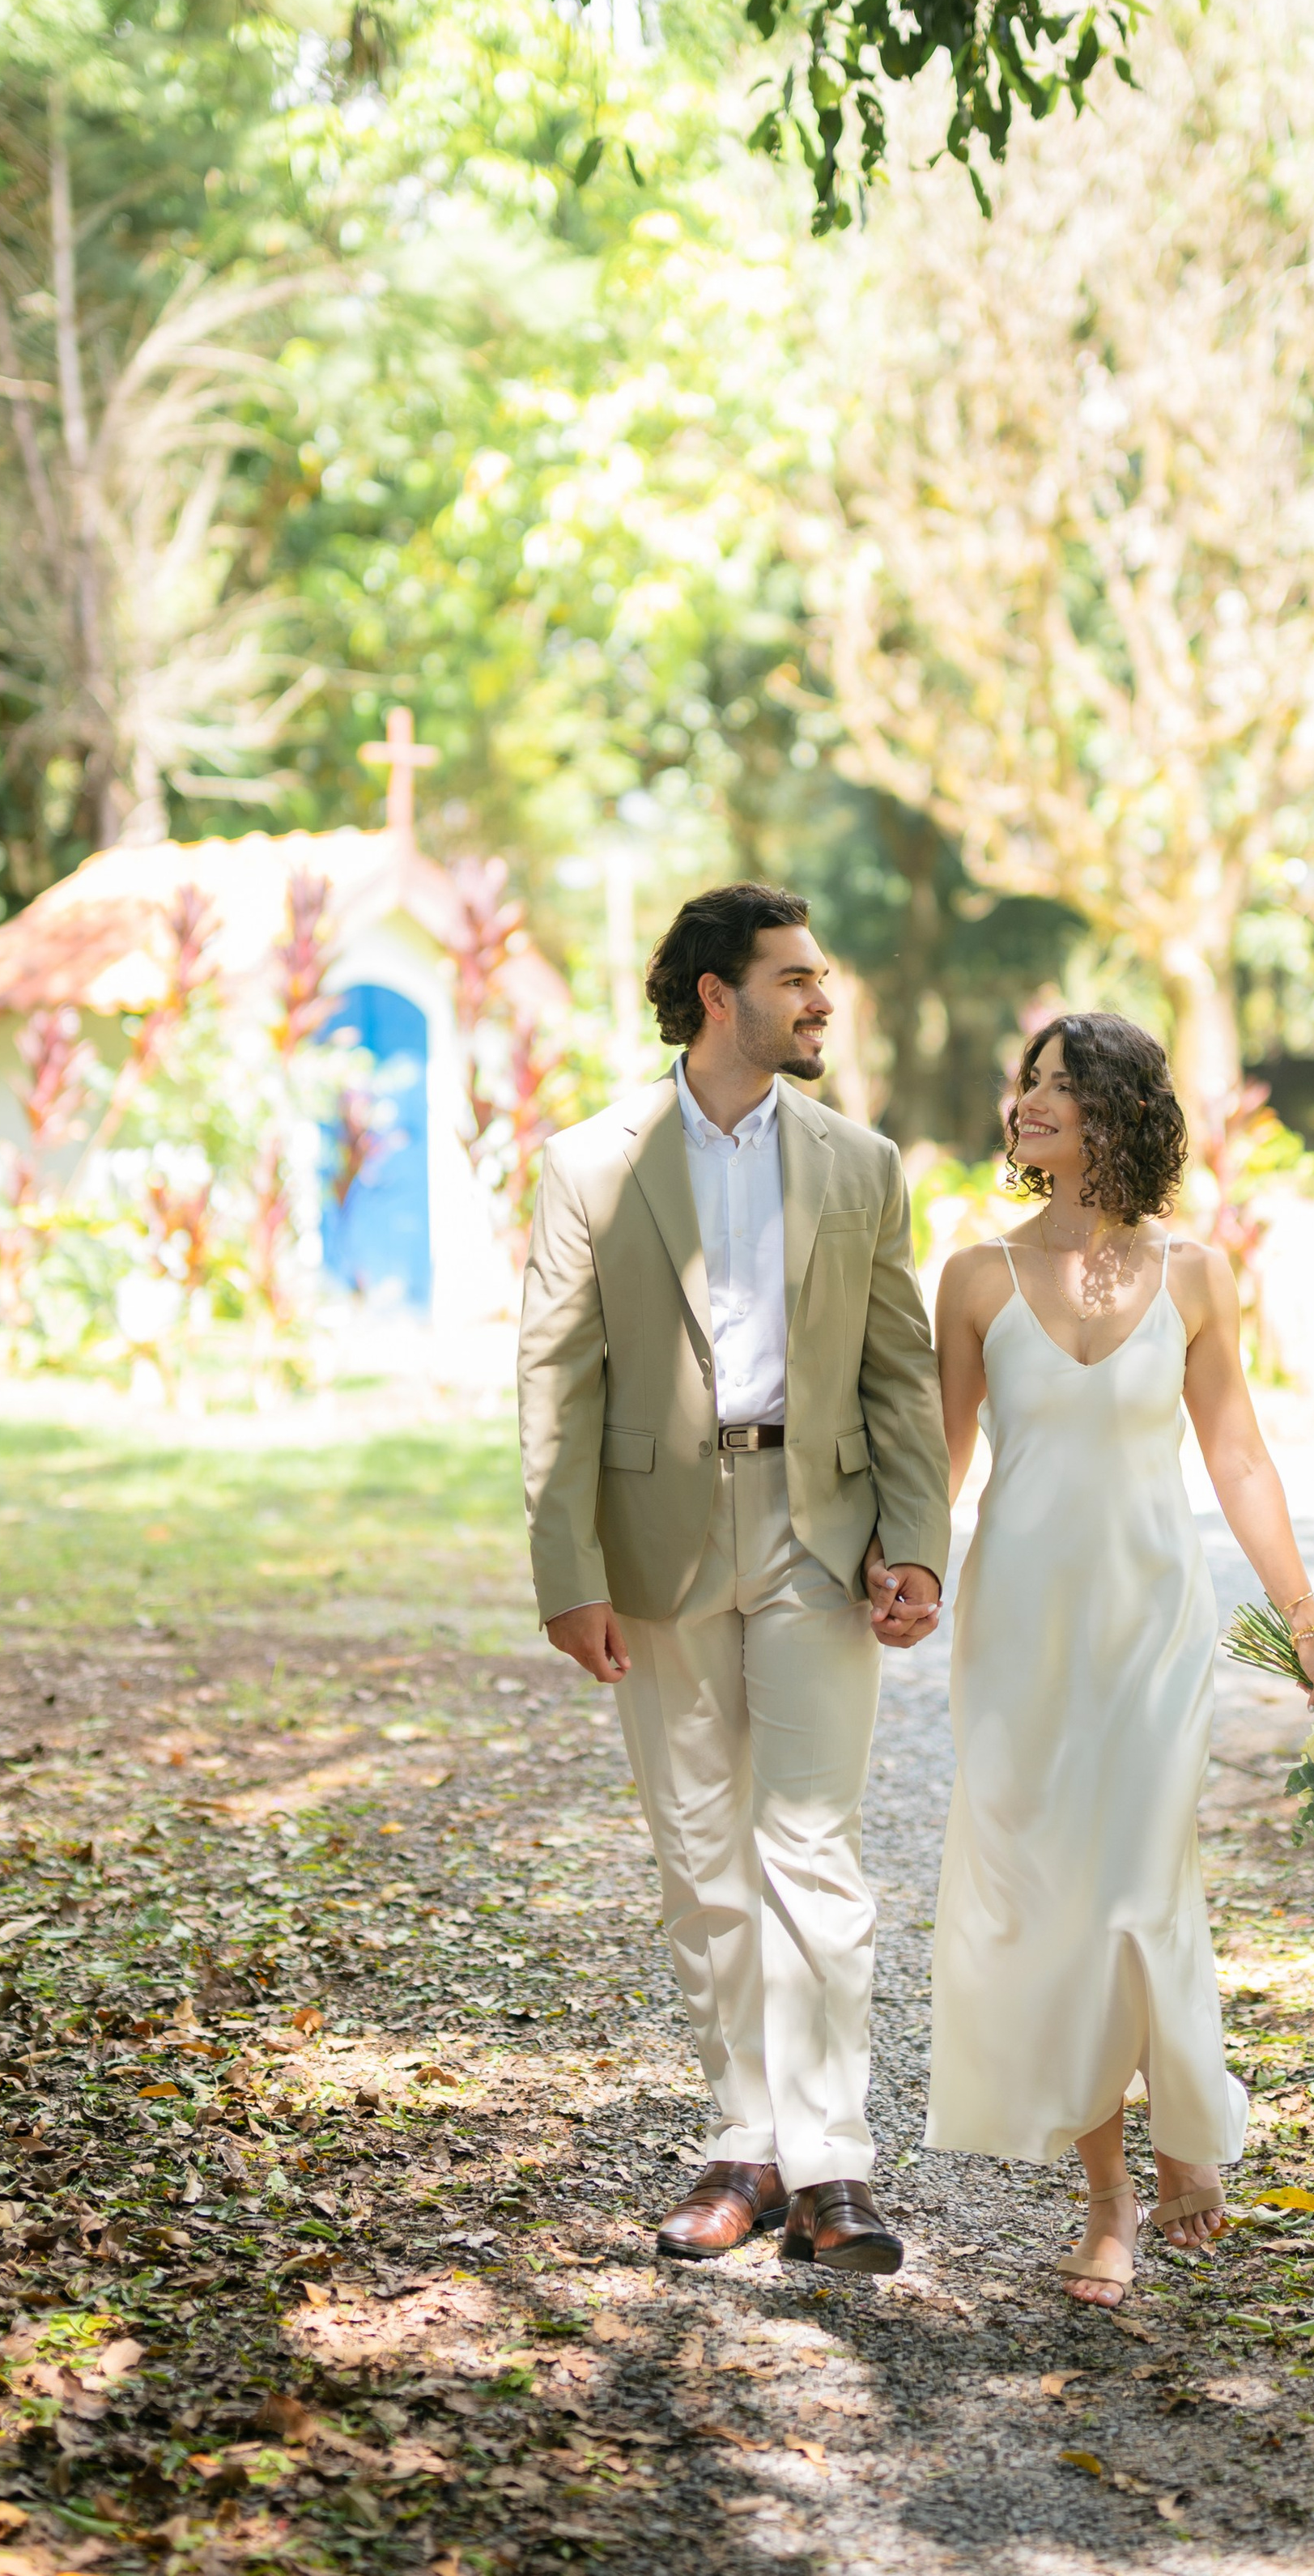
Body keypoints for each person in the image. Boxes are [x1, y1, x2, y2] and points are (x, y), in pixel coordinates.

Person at [519, 883, 950, 2273]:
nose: (823, 999)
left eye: (823, 979)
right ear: (718, 994)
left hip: (819, 1527)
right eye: (796, 978)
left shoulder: (860, 1162)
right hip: (658, 1536)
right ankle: (744, 2144)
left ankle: (834, 2168)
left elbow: (899, 1373)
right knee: (702, 1856)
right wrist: (566, 1570)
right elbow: (557, 1378)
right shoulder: (592, 1162)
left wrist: (918, 1541)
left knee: (812, 1847)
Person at [925, 1012, 1314, 2308]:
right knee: (1053, 1903)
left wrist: (1307, 1623)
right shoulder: (975, 1277)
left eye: (1060, 1084)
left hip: (1152, 1627)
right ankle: (1110, 2193)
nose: (1030, 1102)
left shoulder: (1196, 1276)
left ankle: (1171, 2154)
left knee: (1134, 1890)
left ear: (1120, 1109)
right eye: (1027, 1084)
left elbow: (1237, 1458)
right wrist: (895, 1580)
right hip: (1019, 1633)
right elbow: (941, 1465)